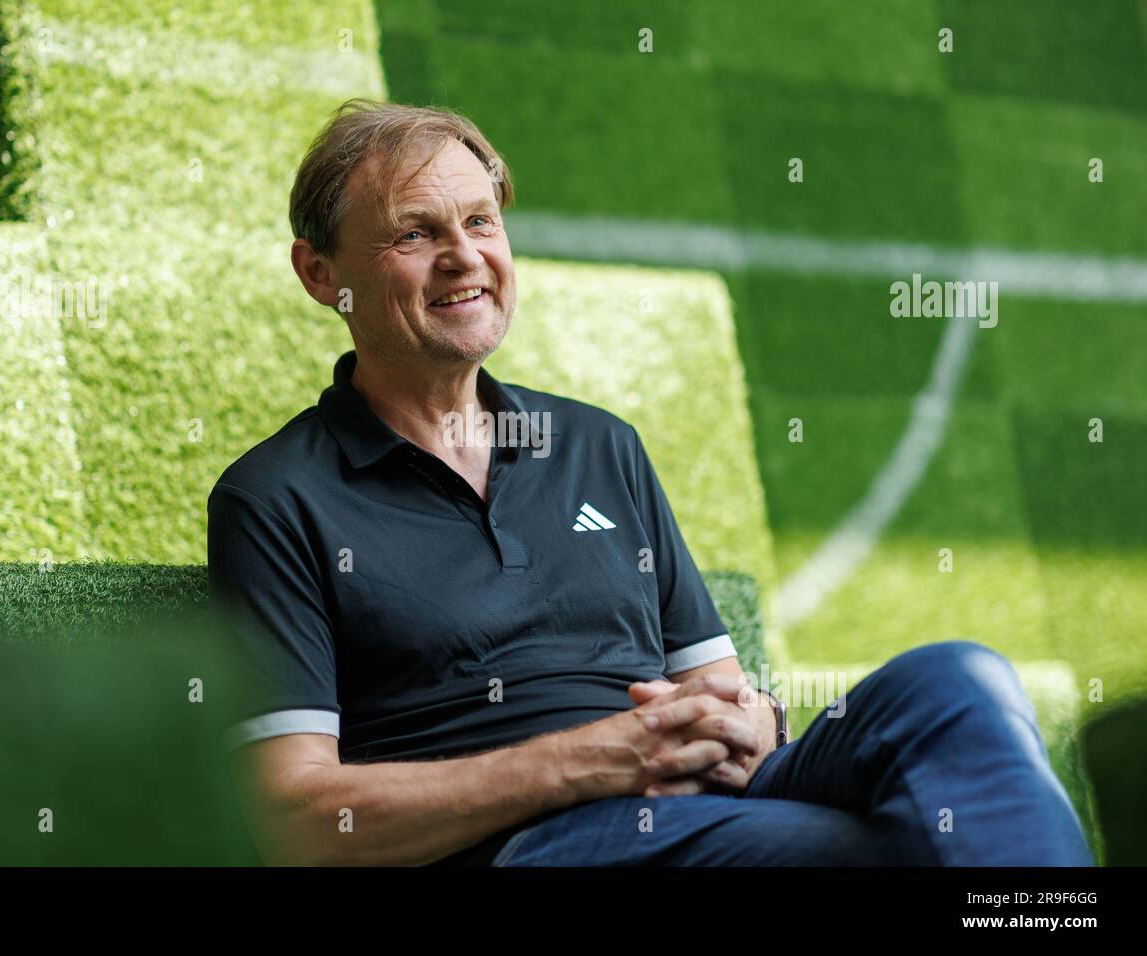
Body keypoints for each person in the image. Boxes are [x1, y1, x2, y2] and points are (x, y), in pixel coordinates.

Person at [205, 98, 1094, 867]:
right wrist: (597, 760)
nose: (465, 257)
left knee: (955, 679)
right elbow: (301, 823)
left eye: (482, 222)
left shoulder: (598, 446)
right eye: (415, 232)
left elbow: (723, 693)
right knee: (881, 853)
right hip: (539, 841)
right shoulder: (276, 500)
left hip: (704, 796)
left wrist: (762, 724)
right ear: (323, 275)